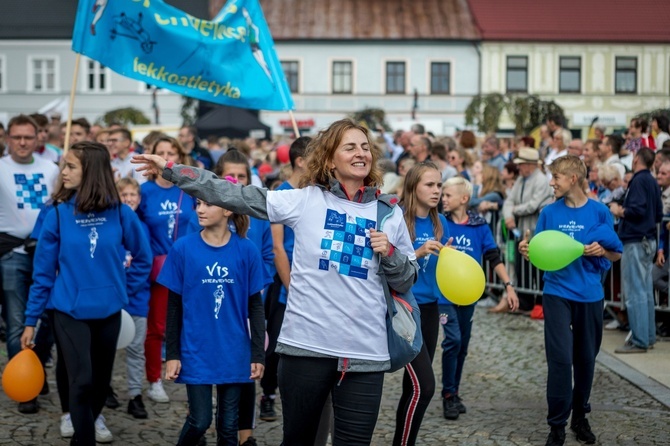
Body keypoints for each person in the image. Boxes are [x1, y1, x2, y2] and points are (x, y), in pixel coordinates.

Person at [133, 119, 418, 445]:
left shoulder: (389, 212)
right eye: (350, 147)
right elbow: (232, 194)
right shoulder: (305, 200)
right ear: (329, 159)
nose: (361, 153)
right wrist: (170, 169)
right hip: (306, 351)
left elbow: (408, 277)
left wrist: (391, 252)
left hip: (365, 356)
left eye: (365, 147)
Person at [20, 142, 151, 446]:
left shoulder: (120, 213)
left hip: (108, 313)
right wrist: (31, 320)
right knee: (82, 381)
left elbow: (143, 258)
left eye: (70, 166)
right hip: (68, 311)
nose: (62, 171)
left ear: (90, 170)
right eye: (63, 165)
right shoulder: (57, 213)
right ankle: (84, 439)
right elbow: (42, 273)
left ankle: (86, 427)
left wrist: (122, 290)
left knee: (101, 383)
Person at [519, 155, 622, 446]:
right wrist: (528, 251)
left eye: (556, 178)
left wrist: (603, 253)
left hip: (590, 295)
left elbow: (616, 253)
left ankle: (580, 416)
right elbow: (542, 252)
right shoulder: (549, 213)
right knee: (561, 360)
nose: (551, 183)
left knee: (586, 360)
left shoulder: (601, 212)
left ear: (573, 179)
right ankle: (557, 425)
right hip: (556, 293)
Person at [161, 194, 265, 446]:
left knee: (228, 427)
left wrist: (257, 354)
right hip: (195, 349)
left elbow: (255, 306)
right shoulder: (183, 248)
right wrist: (172, 353)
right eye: (198, 203)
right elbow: (173, 307)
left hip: (234, 350)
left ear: (228, 211)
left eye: (208, 204)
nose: (199, 209)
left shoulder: (246, 249)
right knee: (200, 420)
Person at [440, 176, 519, 419]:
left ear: (464, 199)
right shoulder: (439, 223)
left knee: (462, 344)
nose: (443, 199)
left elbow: (493, 257)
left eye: (447, 195)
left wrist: (509, 286)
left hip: (469, 294)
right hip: (443, 294)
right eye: (442, 195)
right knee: (452, 340)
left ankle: (454, 390)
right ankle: (448, 395)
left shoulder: (479, 225)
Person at [211, 149, 274, 446]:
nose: (235, 182)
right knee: (209, 368)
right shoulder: (206, 209)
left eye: (242, 177)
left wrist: (254, 288)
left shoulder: (257, 214)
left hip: (247, 305)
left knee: (247, 368)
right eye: (230, 176)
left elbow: (267, 256)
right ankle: (207, 423)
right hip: (211, 305)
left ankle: (245, 434)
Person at [0, 114, 59, 413]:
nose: (22, 142)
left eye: (28, 137)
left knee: (46, 321)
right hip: (11, 255)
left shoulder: (50, 169)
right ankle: (26, 390)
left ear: (38, 139)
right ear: (7, 138)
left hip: (46, 256)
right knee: (16, 322)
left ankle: (36, 369)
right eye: (16, 137)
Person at [136, 136, 197, 403]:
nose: (165, 156)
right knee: (157, 327)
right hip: (156, 268)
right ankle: (154, 380)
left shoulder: (189, 188)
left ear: (179, 157)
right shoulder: (144, 191)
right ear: (151, 157)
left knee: (191, 323)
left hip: (188, 265)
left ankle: (192, 370)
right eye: (160, 152)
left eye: (170, 152)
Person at [392, 162, 446, 446]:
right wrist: (418, 251)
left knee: (412, 387)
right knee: (425, 387)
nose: (436, 191)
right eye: (430, 185)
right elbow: (388, 265)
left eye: (439, 185)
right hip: (404, 308)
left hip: (431, 308)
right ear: (413, 186)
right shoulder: (397, 218)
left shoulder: (440, 223)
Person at [261, 136, 310, 422]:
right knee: (277, 344)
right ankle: (268, 394)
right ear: (300, 161)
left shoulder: (317, 191)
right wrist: (292, 286)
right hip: (286, 279)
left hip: (310, 277)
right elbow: (277, 246)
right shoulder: (282, 193)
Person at [609, 148, 663, 353]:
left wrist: (619, 210)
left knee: (635, 292)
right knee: (645, 290)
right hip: (647, 239)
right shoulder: (651, 181)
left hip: (635, 240)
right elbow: (657, 214)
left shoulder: (639, 181)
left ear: (637, 159)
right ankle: (647, 336)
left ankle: (640, 339)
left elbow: (637, 210)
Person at [116, 177, 152, 419]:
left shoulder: (143, 228)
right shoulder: (111, 225)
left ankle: (135, 395)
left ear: (139, 199)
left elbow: (144, 262)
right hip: (111, 299)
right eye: (124, 194)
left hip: (136, 298)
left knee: (136, 348)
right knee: (105, 349)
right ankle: (104, 389)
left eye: (133, 195)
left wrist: (127, 290)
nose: (129, 199)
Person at [501, 148, 553, 313]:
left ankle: (540, 303)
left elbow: (533, 205)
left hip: (536, 231)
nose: (519, 168)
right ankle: (524, 302)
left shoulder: (541, 180)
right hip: (521, 230)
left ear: (530, 165)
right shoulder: (520, 180)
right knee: (521, 267)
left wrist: (514, 210)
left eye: (521, 164)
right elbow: (508, 201)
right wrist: (508, 215)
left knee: (536, 268)